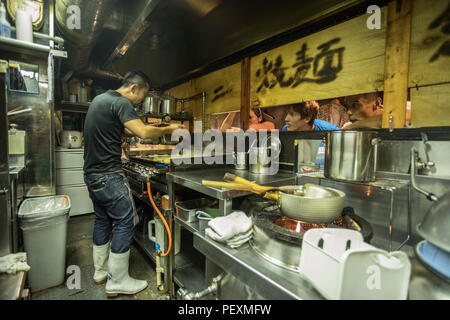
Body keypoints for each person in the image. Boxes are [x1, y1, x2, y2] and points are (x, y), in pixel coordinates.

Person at [83, 71, 182, 297]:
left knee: (102, 220)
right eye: (143, 96)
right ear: (134, 88)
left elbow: (128, 130)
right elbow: (143, 131)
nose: (141, 102)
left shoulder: (100, 100)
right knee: (126, 221)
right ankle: (117, 281)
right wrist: (169, 128)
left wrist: (143, 133)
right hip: (109, 176)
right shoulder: (121, 102)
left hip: (92, 175)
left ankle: (100, 273)